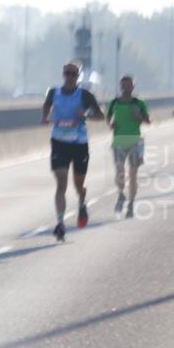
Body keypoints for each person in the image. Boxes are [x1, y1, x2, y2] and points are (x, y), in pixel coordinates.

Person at [40, 61, 105, 241]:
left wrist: (86, 115)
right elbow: (47, 105)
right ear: (63, 75)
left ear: (78, 77)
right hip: (59, 142)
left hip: (79, 144)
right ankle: (60, 223)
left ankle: (82, 202)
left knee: (78, 185)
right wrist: (45, 117)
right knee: (61, 183)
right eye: (66, 73)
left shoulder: (85, 95)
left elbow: (101, 115)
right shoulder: (54, 92)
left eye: (73, 74)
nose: (69, 77)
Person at [107, 76, 151, 218]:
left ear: (133, 87)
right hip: (118, 142)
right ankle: (121, 194)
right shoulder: (114, 102)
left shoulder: (139, 103)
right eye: (123, 85)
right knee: (120, 172)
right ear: (121, 87)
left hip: (136, 142)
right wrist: (111, 124)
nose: (126, 88)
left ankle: (131, 204)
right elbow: (108, 118)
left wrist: (138, 116)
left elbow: (148, 121)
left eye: (129, 85)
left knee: (133, 175)